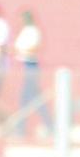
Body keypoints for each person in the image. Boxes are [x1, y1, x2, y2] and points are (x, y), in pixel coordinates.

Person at [12, 10, 51, 138]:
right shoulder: (25, 31)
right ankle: (48, 125)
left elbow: (35, 48)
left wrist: (19, 50)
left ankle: (23, 129)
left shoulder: (33, 31)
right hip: (26, 65)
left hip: (31, 66)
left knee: (29, 99)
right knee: (30, 99)